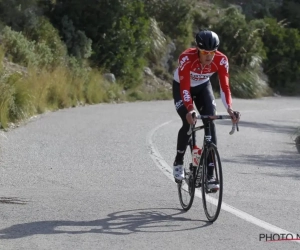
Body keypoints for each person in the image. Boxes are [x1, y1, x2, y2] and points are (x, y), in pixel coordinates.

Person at [172, 29, 240, 188]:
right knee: (188, 122)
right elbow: (184, 88)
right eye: (204, 52)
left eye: (212, 52)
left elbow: (225, 87)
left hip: (203, 86)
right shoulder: (186, 58)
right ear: (197, 49)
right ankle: (179, 160)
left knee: (211, 120)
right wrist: (190, 109)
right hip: (182, 87)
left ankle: (210, 175)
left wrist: (230, 108)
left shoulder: (221, 60)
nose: (209, 56)